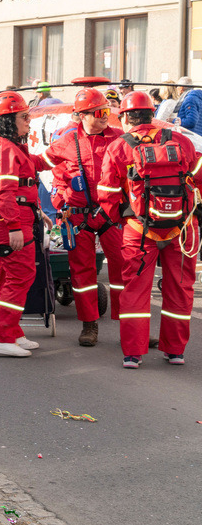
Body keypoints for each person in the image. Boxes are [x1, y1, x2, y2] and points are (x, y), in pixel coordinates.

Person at [99, 90, 202, 368]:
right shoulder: (181, 140)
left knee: (135, 290)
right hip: (182, 229)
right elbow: (199, 178)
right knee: (180, 289)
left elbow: (107, 194)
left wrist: (126, 219)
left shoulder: (118, 146)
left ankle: (133, 354)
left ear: (124, 118)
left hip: (139, 229)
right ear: (152, 113)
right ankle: (175, 351)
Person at [42, 88, 124, 346]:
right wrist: (60, 200)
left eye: (107, 112)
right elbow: (52, 174)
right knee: (82, 273)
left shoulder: (119, 138)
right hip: (78, 219)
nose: (104, 117)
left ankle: (132, 324)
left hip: (112, 214)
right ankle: (89, 325)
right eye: (99, 113)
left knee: (127, 266)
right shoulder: (67, 142)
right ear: (82, 115)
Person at [0, 91, 50, 357]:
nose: (28, 122)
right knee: (21, 273)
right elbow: (5, 190)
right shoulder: (6, 148)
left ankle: (13, 332)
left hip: (9, 213)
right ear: (9, 120)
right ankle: (1, 336)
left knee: (10, 273)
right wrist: (13, 226)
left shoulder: (7, 145)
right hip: (6, 216)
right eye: (23, 117)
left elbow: (27, 176)